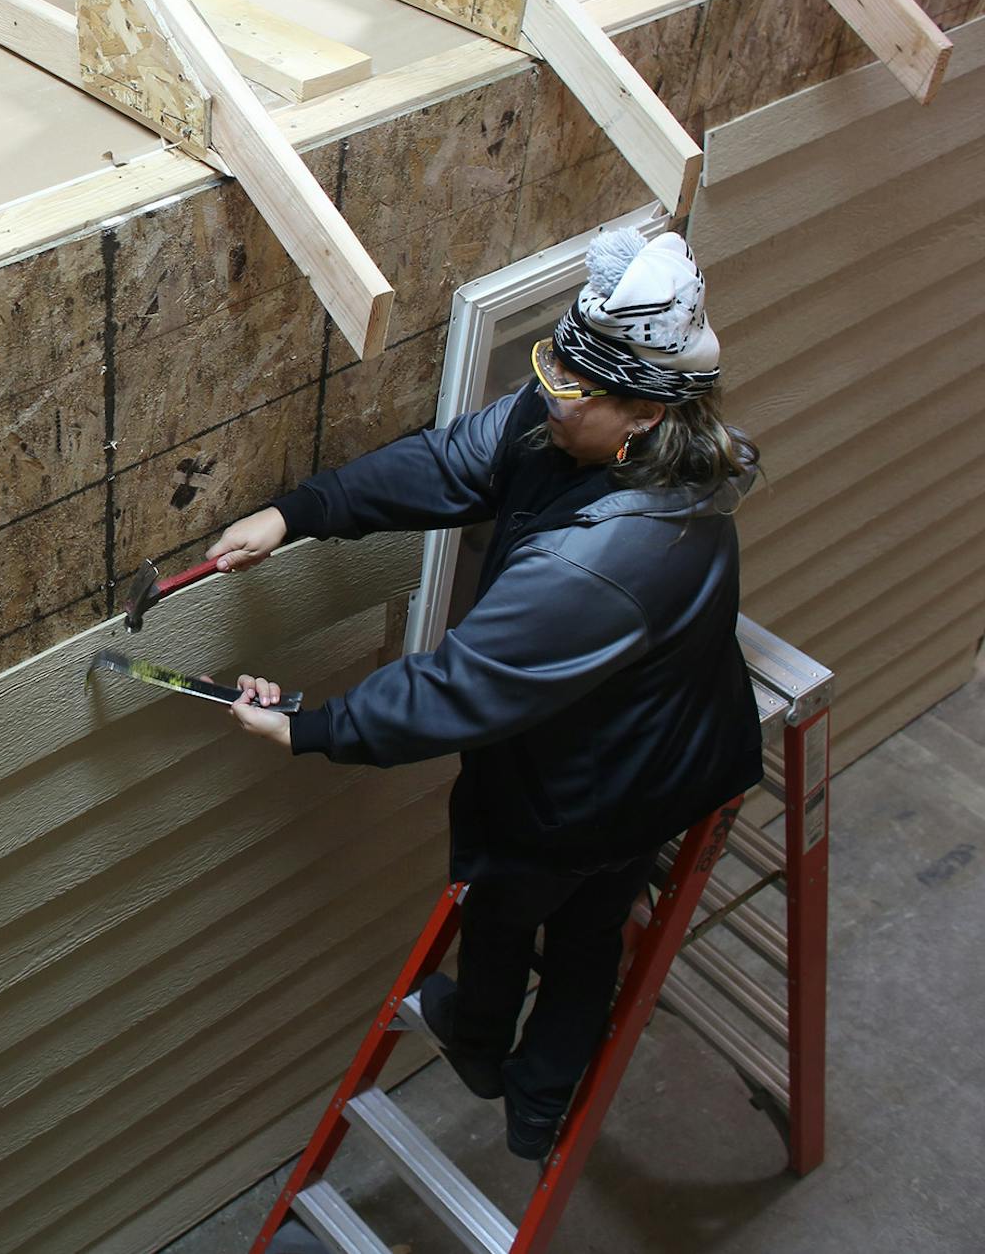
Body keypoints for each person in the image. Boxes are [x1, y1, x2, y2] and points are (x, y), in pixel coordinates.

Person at [206, 229, 764, 1162]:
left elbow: (459, 688)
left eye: (573, 392)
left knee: (516, 913)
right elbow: (446, 464)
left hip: (593, 793)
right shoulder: (573, 437)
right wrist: (298, 513)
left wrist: (312, 729)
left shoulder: (608, 560)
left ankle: (496, 1064)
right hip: (662, 738)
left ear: (646, 416)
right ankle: (540, 1099)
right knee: (592, 929)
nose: (548, 397)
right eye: (553, 371)